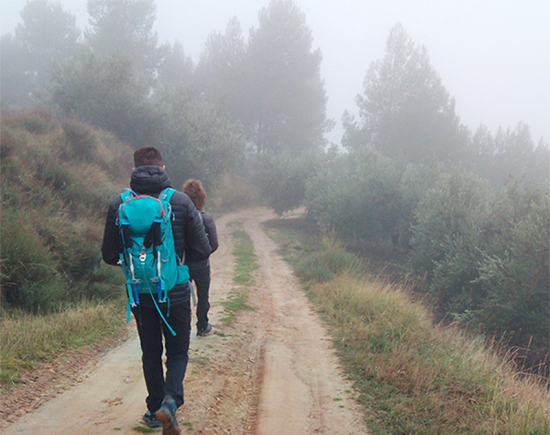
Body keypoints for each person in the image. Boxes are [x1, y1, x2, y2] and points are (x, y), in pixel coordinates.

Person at [101, 147, 211, 434]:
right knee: (177, 353)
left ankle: (153, 409)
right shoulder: (181, 201)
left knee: (150, 352)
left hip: (140, 292)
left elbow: (109, 255)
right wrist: (176, 260)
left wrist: (138, 262)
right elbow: (202, 249)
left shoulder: (119, 204)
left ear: (134, 170)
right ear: (162, 168)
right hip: (173, 290)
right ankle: (171, 402)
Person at [182, 179, 219, 336]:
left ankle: (183, 329)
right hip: (202, 264)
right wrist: (204, 253)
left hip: (183, 264)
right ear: (202, 199)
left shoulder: (180, 218)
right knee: (203, 296)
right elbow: (214, 244)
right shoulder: (207, 218)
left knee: (182, 297)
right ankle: (202, 326)